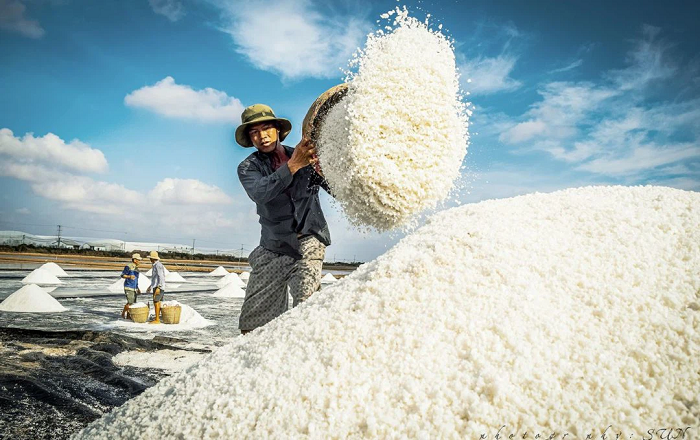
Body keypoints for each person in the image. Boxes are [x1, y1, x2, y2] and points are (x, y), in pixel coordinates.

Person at [235, 103, 331, 334]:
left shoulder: (307, 158)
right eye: (254, 132)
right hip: (273, 246)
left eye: (266, 128)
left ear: (278, 130)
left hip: (309, 240)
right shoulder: (249, 167)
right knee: (252, 323)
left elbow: (335, 186)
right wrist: (293, 165)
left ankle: (304, 357)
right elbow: (260, 193)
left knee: (306, 308)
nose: (262, 136)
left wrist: (325, 163)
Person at [145, 250, 166, 324]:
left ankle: (157, 319)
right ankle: (158, 317)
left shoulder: (158, 265)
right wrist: (150, 286)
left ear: (153, 258)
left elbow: (161, 277)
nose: (149, 259)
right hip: (156, 285)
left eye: (150, 258)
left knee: (156, 302)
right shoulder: (155, 265)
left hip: (159, 287)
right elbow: (155, 278)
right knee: (157, 302)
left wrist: (158, 287)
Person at [120, 253, 141, 319]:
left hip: (134, 287)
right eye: (138, 260)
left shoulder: (137, 269)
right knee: (130, 302)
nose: (139, 261)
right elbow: (122, 275)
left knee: (133, 303)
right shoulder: (128, 266)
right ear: (134, 260)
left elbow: (136, 279)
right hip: (129, 286)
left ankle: (129, 316)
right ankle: (123, 313)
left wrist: (137, 288)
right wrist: (129, 276)